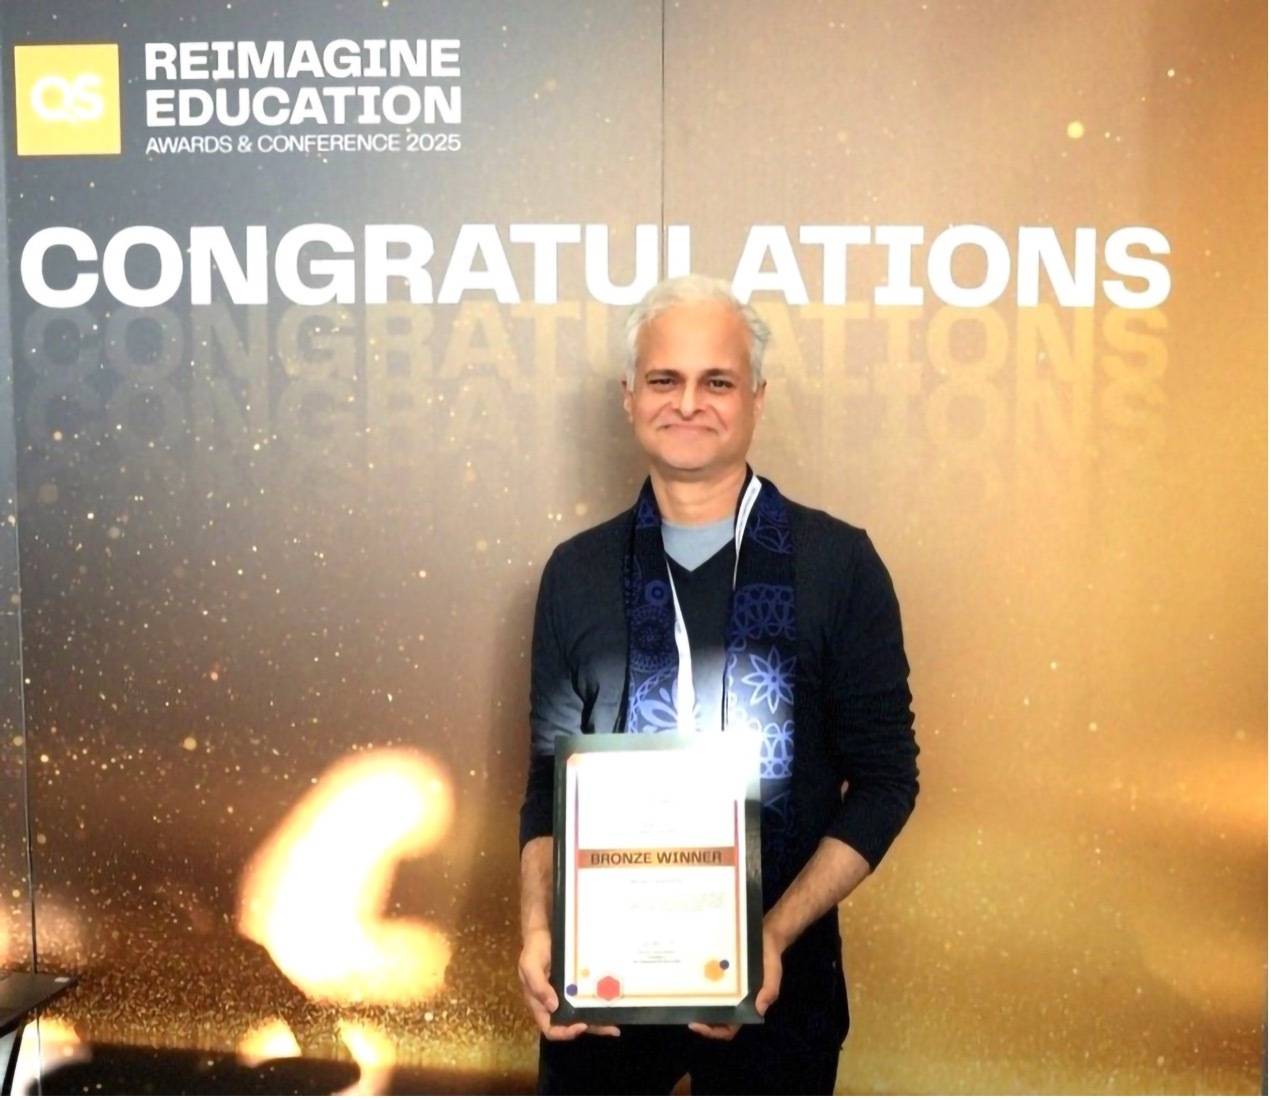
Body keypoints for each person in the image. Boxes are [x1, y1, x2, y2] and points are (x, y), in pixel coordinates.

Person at [517, 274, 919, 1095]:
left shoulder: (838, 564)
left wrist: (771, 934)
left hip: (780, 993)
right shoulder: (575, 572)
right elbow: (547, 787)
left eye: (718, 382)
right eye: (664, 379)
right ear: (629, 396)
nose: (688, 403)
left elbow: (886, 782)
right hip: (597, 993)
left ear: (756, 398)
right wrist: (535, 931)